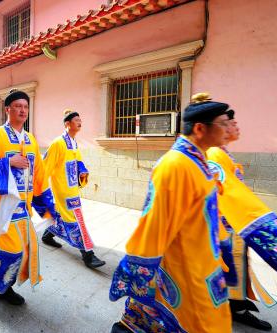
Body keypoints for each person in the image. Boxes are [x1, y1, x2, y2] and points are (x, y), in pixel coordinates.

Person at [109, 92, 233, 333]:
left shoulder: (201, 161)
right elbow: (154, 224)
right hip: (184, 270)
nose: (227, 129)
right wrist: (138, 272)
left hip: (204, 266)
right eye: (222, 123)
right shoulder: (175, 165)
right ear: (199, 128)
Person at [0, 90, 57, 313]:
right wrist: (8, 161)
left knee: (26, 251)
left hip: (24, 208)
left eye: (26, 107)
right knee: (11, 251)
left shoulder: (30, 140)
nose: (22, 110)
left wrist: (49, 206)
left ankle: (6, 288)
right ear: (7, 109)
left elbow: (39, 175)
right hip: (3, 207)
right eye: (17, 106)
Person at [208, 110, 277, 331]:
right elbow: (226, 193)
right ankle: (233, 308)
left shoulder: (222, 152)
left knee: (237, 267)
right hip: (225, 226)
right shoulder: (215, 153)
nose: (235, 125)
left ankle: (235, 307)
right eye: (228, 122)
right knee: (231, 268)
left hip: (233, 225)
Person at [41, 109, 106, 269]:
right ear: (67, 124)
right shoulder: (58, 143)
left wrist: (82, 171)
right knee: (76, 220)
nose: (79, 121)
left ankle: (47, 235)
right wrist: (41, 191)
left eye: (80, 119)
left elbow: (78, 162)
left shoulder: (74, 143)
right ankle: (88, 255)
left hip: (72, 189)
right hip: (62, 191)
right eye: (76, 119)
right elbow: (45, 167)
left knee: (63, 217)